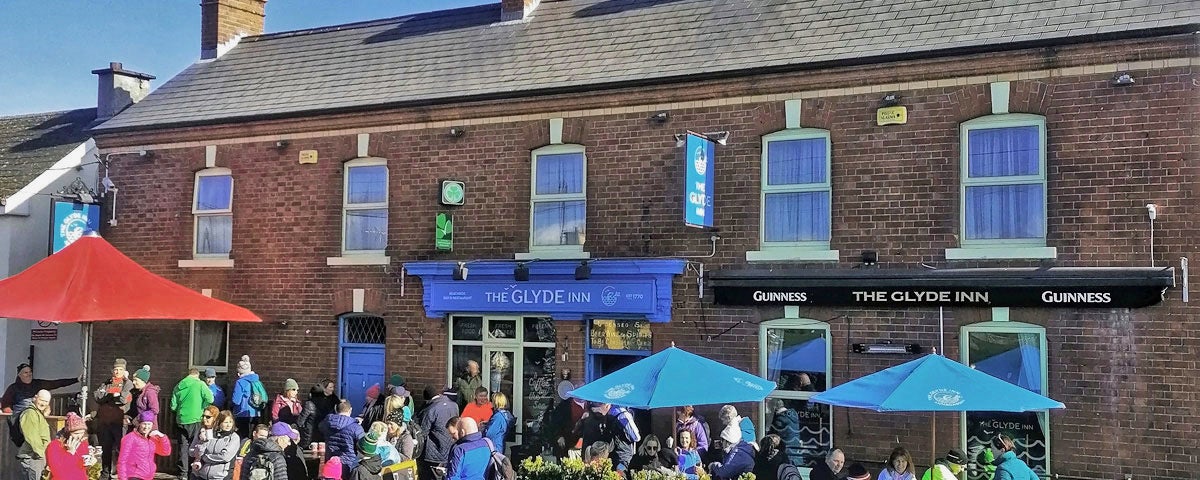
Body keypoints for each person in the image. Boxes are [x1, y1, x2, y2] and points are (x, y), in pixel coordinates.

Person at [94, 358, 134, 480]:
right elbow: (97, 396)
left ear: (124, 371)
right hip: (105, 422)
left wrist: (108, 396)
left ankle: (123, 473)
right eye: (115, 369)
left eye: (120, 369)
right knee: (106, 449)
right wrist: (112, 395)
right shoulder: (106, 383)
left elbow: (122, 399)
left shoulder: (127, 383)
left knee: (121, 449)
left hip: (119, 422)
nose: (117, 371)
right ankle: (105, 474)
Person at [171, 367, 214, 478]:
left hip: (181, 420)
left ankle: (183, 474)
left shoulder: (178, 386)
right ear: (197, 375)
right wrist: (202, 407)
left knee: (183, 448)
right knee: (196, 446)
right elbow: (210, 399)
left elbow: (173, 406)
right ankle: (193, 471)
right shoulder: (200, 384)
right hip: (196, 419)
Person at [2, 363, 79, 418]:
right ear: (19, 375)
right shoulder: (13, 388)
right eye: (26, 372)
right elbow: (5, 405)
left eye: (30, 372)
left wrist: (76, 379)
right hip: (18, 418)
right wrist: (12, 416)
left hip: (36, 417)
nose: (29, 374)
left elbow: (55, 383)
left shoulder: (37, 384)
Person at [416, 385, 460, 480]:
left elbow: (423, 431)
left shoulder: (430, 409)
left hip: (434, 453)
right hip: (450, 448)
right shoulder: (454, 405)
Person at [117, 411, 172, 480]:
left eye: (149, 424)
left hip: (148, 476)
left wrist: (162, 437)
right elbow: (122, 461)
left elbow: (166, 452)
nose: (146, 427)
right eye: (144, 424)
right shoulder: (130, 438)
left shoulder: (152, 439)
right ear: (139, 424)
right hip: (134, 475)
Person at [322, 399, 367, 479]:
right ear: (350, 410)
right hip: (349, 464)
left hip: (331, 463)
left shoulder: (326, 422)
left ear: (336, 408)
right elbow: (364, 445)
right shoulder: (356, 428)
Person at [192, 410, 240, 480]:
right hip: (202, 476)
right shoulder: (210, 434)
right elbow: (199, 452)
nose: (228, 425)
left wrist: (206, 458)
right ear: (219, 423)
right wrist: (201, 442)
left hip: (221, 477)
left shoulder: (234, 437)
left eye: (230, 422)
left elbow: (225, 457)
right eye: (225, 422)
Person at [17, 390, 52, 480]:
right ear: (35, 398)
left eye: (46, 401)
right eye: (41, 400)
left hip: (37, 457)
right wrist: (44, 456)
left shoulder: (37, 413)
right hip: (33, 458)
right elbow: (33, 438)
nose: (43, 403)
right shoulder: (30, 413)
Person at [45, 412, 90, 480]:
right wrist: (70, 453)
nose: (79, 436)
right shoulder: (54, 446)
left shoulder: (83, 444)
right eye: (76, 433)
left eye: (82, 433)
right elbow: (57, 471)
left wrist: (90, 462)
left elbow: (82, 468)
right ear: (68, 433)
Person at [231, 355, 266, 438]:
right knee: (253, 437)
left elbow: (236, 400)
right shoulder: (257, 381)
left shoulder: (240, 382)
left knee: (243, 438)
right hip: (256, 413)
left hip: (242, 413)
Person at [300, 379, 341, 449]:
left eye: (333, 387)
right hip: (314, 429)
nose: (332, 389)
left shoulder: (334, 399)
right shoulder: (315, 399)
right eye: (330, 387)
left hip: (326, 428)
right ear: (324, 388)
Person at [767, 399, 802, 465]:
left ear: (774, 407)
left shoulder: (779, 420)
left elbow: (772, 436)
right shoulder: (793, 415)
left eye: (770, 408)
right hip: (795, 449)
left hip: (786, 451)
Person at [127, 365, 160, 431]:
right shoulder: (137, 392)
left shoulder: (150, 392)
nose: (133, 382)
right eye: (133, 380)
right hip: (139, 426)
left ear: (143, 381)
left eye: (136, 380)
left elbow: (154, 410)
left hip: (148, 428)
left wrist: (138, 419)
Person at [610, 404, 641, 474]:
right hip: (624, 457)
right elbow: (636, 437)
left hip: (613, 454)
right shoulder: (624, 415)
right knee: (624, 475)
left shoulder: (610, 412)